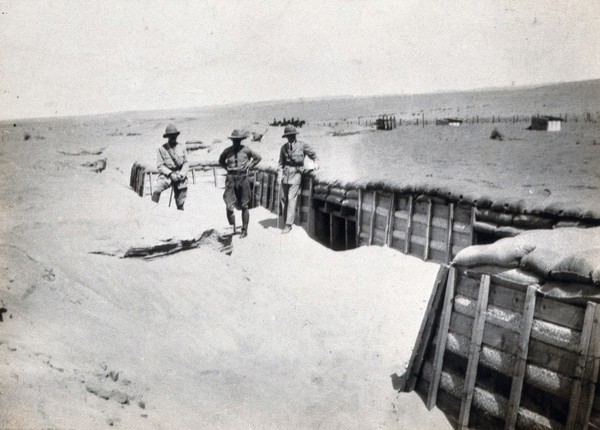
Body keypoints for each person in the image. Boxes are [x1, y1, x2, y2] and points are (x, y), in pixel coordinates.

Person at [218, 129, 262, 238]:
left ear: (241, 141)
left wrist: (249, 166)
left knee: (244, 205)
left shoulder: (246, 150)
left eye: (238, 140)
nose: (236, 142)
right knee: (229, 205)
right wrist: (228, 169)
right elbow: (221, 161)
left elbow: (258, 158)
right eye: (234, 140)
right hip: (230, 178)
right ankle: (232, 223)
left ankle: (244, 230)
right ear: (232, 140)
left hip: (243, 178)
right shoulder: (227, 151)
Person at [277, 124, 318, 234]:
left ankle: (288, 224)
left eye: (292, 135)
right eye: (288, 136)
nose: (290, 138)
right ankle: (286, 219)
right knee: (284, 199)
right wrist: (279, 176)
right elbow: (280, 164)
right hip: (285, 176)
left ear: (295, 135)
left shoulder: (302, 145)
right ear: (286, 137)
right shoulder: (283, 148)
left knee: (291, 198)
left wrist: (315, 164)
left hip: (296, 175)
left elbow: (313, 154)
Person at [152, 124, 189, 210]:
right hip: (167, 175)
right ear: (167, 136)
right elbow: (160, 165)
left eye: (174, 135)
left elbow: (186, 162)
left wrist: (182, 174)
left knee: (181, 199)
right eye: (171, 135)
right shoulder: (161, 149)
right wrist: (170, 174)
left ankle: (180, 212)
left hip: (180, 174)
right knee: (157, 190)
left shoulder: (182, 147)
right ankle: (152, 210)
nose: (173, 137)